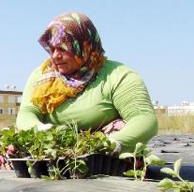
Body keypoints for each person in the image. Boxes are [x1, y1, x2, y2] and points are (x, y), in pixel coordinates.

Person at [11, 12, 157, 155]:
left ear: (83, 46)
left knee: (121, 128)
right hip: (50, 146)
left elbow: (144, 119)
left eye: (62, 48)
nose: (56, 56)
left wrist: (110, 144)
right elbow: (27, 113)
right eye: (52, 48)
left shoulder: (118, 76)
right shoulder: (41, 76)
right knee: (8, 139)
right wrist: (40, 130)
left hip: (100, 149)